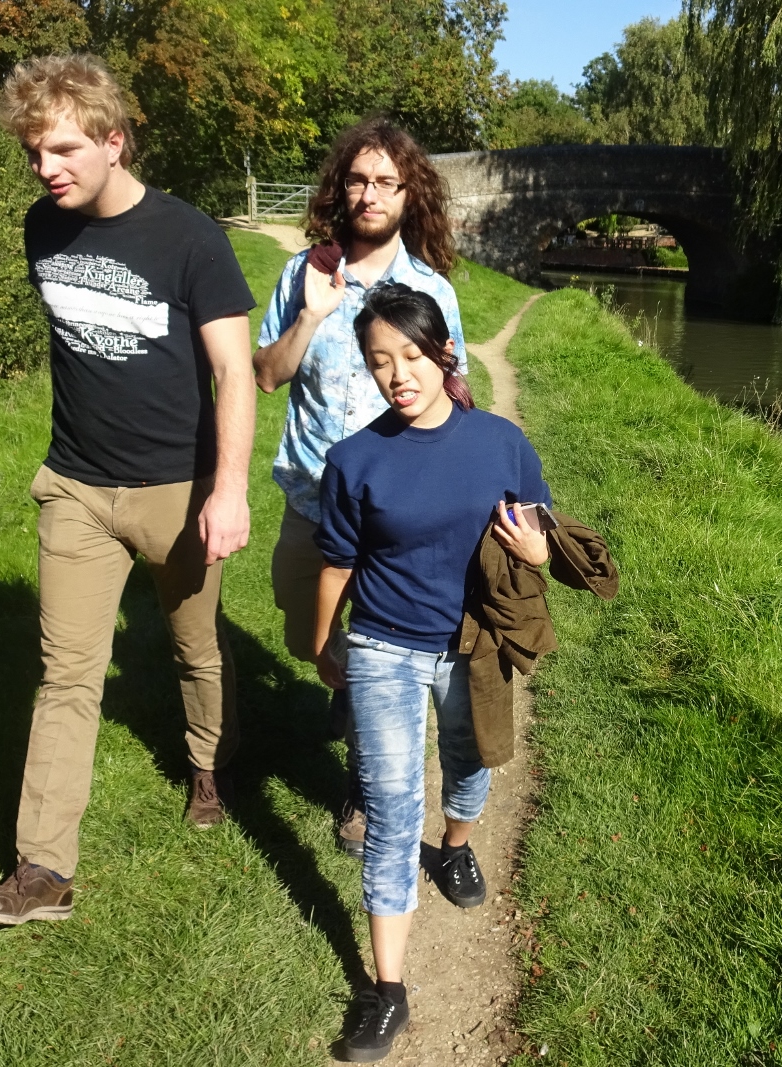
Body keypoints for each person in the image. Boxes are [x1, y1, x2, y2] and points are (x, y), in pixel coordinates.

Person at [0, 54, 256, 926]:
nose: (44, 169)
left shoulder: (190, 238)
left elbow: (234, 371)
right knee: (67, 675)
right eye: (33, 153)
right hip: (76, 486)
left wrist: (227, 489)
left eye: (62, 150)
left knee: (196, 647)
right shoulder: (41, 229)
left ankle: (210, 762)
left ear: (113, 141)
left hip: (177, 489)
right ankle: (43, 870)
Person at [314, 284, 548, 1062]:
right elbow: (336, 564)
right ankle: (389, 990)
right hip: (382, 645)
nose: (397, 375)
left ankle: (454, 844)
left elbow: (537, 529)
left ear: (444, 352)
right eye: (380, 361)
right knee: (389, 809)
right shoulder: (354, 460)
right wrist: (321, 641)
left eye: (411, 355)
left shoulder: (500, 443)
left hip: (473, 643)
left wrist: (539, 549)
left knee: (470, 764)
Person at [252, 119, 465, 859]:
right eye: (358, 180)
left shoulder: (430, 289)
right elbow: (266, 374)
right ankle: (343, 687)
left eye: (385, 182)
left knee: (379, 652)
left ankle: (363, 785)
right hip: (310, 493)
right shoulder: (303, 275)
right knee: (304, 629)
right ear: (340, 189)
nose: (370, 194)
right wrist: (312, 313)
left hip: (391, 510)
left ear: (408, 195)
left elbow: (452, 389)